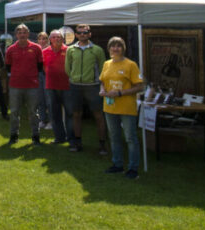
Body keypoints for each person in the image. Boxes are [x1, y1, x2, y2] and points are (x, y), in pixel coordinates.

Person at [99, 36, 145, 179]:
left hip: (126, 107)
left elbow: (139, 87)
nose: (115, 49)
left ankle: (133, 168)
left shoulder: (131, 65)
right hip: (110, 107)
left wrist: (120, 93)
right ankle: (117, 164)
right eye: (113, 46)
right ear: (109, 49)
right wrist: (102, 90)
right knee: (114, 137)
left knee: (130, 138)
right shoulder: (106, 64)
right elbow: (102, 81)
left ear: (123, 48)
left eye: (118, 46)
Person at [65, 24, 108, 155]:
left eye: (85, 32)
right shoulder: (71, 49)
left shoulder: (97, 50)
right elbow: (67, 68)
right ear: (76, 35)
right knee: (76, 114)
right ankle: (77, 142)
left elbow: (103, 68)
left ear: (90, 34)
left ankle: (102, 144)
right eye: (80, 33)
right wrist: (73, 77)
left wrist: (99, 82)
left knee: (98, 115)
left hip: (92, 86)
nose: (82, 35)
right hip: (75, 85)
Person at [4, 24, 45, 145]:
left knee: (33, 112)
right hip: (15, 85)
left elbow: (39, 66)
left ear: (28, 34)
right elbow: (8, 67)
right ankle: (13, 135)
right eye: (20, 33)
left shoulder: (36, 48)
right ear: (16, 35)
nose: (22, 35)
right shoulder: (11, 49)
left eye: (24, 32)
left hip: (32, 86)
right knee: (14, 112)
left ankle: (35, 136)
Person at [42, 30, 71, 145]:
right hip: (51, 86)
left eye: (59, 37)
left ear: (63, 39)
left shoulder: (69, 51)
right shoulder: (44, 51)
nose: (57, 39)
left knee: (69, 113)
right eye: (54, 37)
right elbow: (44, 68)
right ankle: (59, 137)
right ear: (50, 39)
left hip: (67, 86)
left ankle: (71, 137)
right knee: (54, 113)